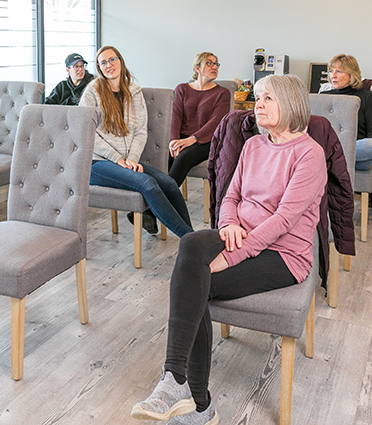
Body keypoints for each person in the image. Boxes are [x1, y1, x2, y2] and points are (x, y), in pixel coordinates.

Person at [131, 75, 327, 425]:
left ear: (291, 104)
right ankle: (177, 381)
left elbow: (283, 221)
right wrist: (229, 225)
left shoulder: (309, 155)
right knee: (191, 243)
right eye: (257, 98)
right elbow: (230, 196)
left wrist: (230, 255)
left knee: (196, 283)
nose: (258, 104)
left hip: (283, 255)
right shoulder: (254, 146)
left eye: (267, 98)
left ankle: (199, 404)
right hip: (242, 234)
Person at [79, 46, 193, 238]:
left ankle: (193, 237)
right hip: (97, 163)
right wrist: (117, 159)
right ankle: (189, 238)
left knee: (169, 183)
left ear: (121, 61)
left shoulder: (134, 91)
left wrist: (131, 159)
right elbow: (88, 133)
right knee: (148, 184)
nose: (109, 65)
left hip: (126, 161)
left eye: (113, 59)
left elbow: (140, 132)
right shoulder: (92, 92)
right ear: (99, 68)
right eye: (104, 62)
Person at [168, 52, 231, 186]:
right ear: (197, 68)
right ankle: (163, 201)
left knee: (183, 157)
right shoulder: (182, 89)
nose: (214, 67)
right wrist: (173, 140)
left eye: (216, 64)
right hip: (183, 136)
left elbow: (215, 122)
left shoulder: (223, 93)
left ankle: (156, 204)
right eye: (209, 63)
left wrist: (192, 139)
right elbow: (176, 116)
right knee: (165, 154)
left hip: (208, 141)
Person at [320, 54, 372, 171]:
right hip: (327, 147)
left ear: (351, 74)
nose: (333, 75)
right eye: (331, 71)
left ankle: (330, 159)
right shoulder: (323, 97)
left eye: (338, 71)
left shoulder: (367, 97)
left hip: (358, 154)